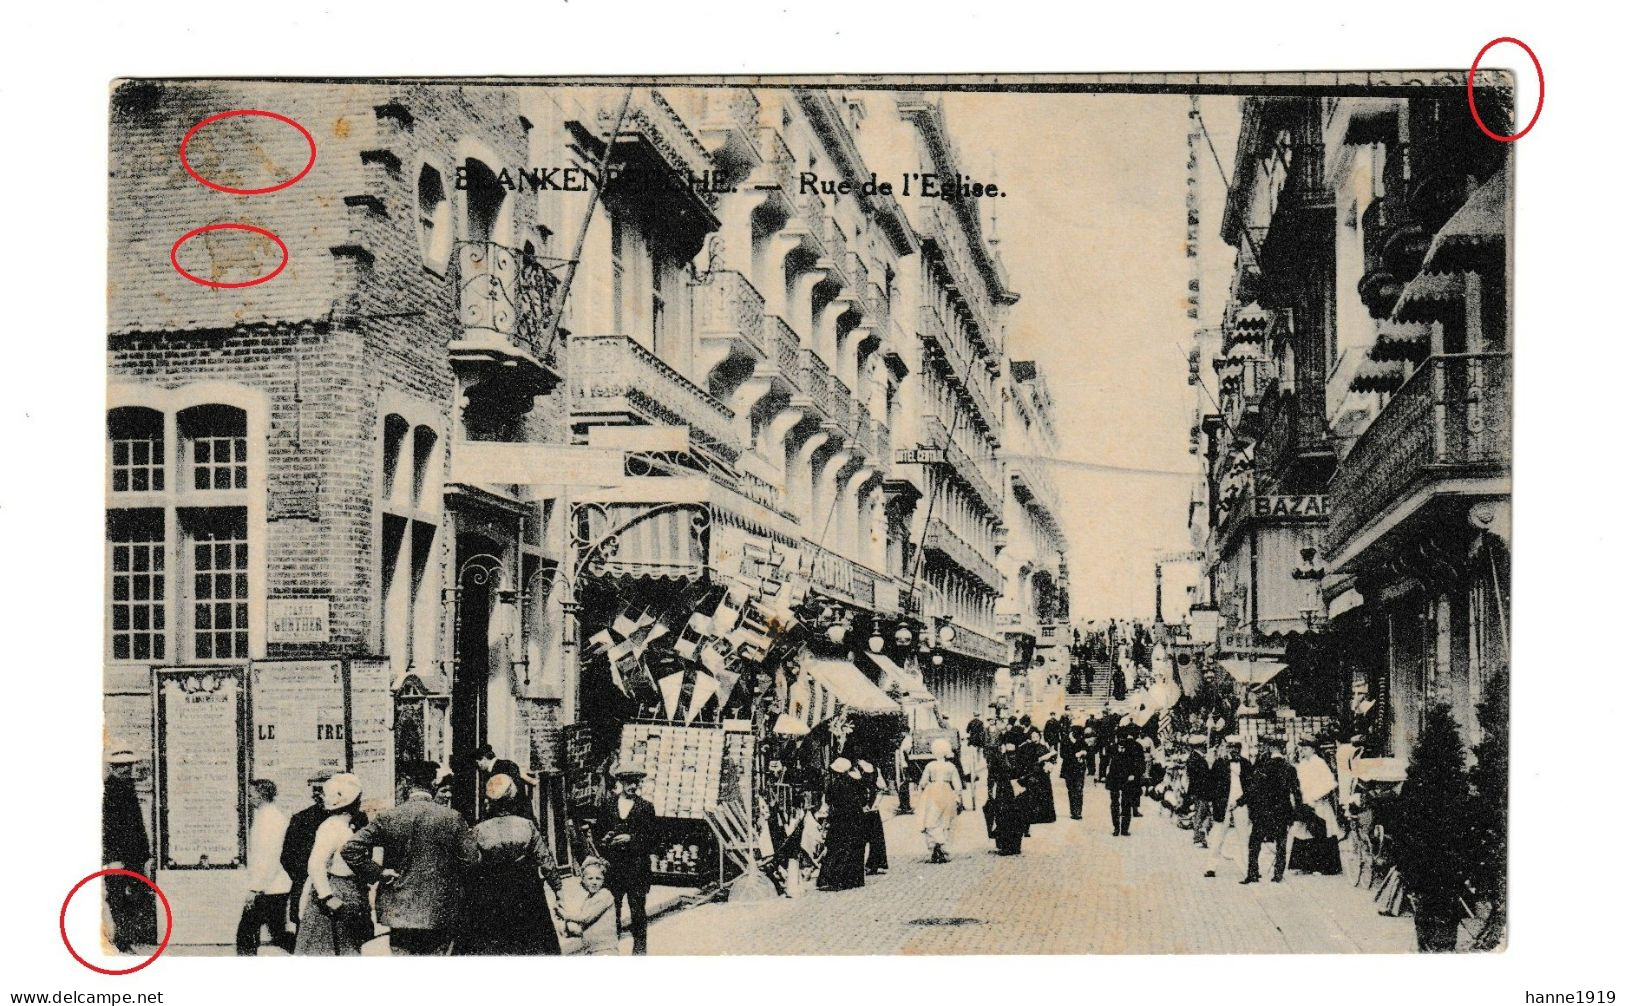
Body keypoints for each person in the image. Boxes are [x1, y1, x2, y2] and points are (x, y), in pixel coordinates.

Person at [342, 762, 477, 955]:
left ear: (409, 785)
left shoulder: (388, 817)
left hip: (399, 911)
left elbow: (351, 849)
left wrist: (378, 873)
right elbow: (471, 860)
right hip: (439, 908)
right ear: (433, 783)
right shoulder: (453, 818)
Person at [460, 774, 564, 955]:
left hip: (492, 892)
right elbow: (545, 860)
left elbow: (471, 864)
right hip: (526, 889)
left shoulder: (479, 830)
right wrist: (558, 890)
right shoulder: (526, 825)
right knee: (531, 942)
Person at [294, 773, 373, 956]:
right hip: (334, 893)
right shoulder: (332, 827)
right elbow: (315, 863)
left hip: (345, 891)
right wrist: (327, 897)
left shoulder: (341, 826)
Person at [597, 764, 658, 953]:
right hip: (614, 866)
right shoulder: (608, 804)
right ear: (621, 783)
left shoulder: (645, 807)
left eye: (636, 782)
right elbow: (598, 831)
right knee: (612, 909)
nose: (633, 786)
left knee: (637, 910)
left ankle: (639, 950)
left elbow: (653, 838)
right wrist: (605, 840)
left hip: (637, 866)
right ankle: (610, 949)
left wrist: (631, 838)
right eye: (629, 782)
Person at [102, 747, 156, 952]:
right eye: (120, 766)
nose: (125, 769)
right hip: (118, 856)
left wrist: (144, 854)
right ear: (113, 768)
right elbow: (108, 827)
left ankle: (130, 936)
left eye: (127, 765)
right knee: (118, 896)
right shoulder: (109, 791)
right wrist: (113, 856)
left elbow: (137, 825)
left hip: (134, 854)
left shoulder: (127, 788)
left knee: (136, 894)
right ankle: (123, 940)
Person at [237, 779, 293, 955]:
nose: (249, 798)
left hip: (270, 887)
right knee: (277, 933)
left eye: (251, 794)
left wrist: (255, 888)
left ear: (262, 795)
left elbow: (269, 856)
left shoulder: (270, 819)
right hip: (272, 886)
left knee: (246, 933)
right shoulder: (267, 816)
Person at [1236, 736, 1298, 884]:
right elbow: (1296, 792)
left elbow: (1253, 789)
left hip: (1264, 811)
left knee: (1255, 842)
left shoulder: (1264, 767)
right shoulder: (1290, 768)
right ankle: (1278, 874)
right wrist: (1296, 813)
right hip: (1282, 811)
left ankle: (1253, 873)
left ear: (1270, 749)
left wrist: (1239, 802)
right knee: (1281, 842)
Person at [280, 771, 330, 943]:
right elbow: (287, 857)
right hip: (306, 888)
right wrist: (304, 877)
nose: (318, 793)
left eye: (322, 788)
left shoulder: (354, 818)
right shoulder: (300, 819)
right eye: (315, 789)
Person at [1288, 742, 1344, 875]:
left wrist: (1316, 796)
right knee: (1304, 832)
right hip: (1305, 802)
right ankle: (1305, 865)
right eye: (1302, 748)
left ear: (1313, 749)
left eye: (1306, 748)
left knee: (1320, 831)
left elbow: (1330, 783)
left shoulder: (1319, 763)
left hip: (1319, 803)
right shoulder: (1302, 764)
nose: (1303, 751)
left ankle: (1323, 867)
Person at [816, 758, 868, 890]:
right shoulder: (857, 781)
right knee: (854, 847)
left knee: (837, 848)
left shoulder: (836, 784)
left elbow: (828, 799)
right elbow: (863, 800)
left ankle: (834, 879)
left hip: (840, 819)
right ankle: (854, 880)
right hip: (856, 818)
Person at [558, 857, 619, 955]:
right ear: (583, 880)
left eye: (598, 878)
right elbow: (584, 929)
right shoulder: (587, 900)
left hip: (605, 950)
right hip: (590, 951)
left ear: (603, 880)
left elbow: (586, 918)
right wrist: (567, 930)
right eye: (590, 878)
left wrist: (566, 916)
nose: (594, 882)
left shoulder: (605, 895)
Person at [918, 738, 963, 863]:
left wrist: (921, 791)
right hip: (947, 792)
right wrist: (957, 797)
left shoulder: (930, 766)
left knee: (931, 820)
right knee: (945, 820)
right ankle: (943, 848)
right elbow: (958, 786)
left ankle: (935, 846)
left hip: (932, 792)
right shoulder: (951, 767)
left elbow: (923, 782)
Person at [987, 734, 1028, 855]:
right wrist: (990, 790)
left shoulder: (1022, 758)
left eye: (1012, 743)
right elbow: (992, 775)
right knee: (1002, 818)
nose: (1010, 745)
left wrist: (1021, 782)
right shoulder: (998, 757)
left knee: (1017, 818)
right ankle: (1005, 846)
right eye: (1007, 743)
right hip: (1003, 791)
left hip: (1017, 791)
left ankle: (1016, 846)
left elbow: (1028, 772)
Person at [1102, 725, 1145, 837]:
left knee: (1126, 803)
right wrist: (1102, 775)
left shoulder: (1134, 748)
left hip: (1128, 780)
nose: (1121, 741)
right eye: (1119, 739)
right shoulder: (1111, 748)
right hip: (1114, 779)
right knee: (1114, 804)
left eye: (1124, 739)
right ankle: (1116, 828)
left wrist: (1134, 775)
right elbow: (1104, 762)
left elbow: (1140, 764)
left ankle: (1125, 829)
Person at [473, 744, 529, 821]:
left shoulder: (507, 766)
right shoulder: (491, 770)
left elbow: (518, 793)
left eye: (478, 762)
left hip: (513, 814)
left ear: (484, 759)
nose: (478, 765)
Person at [1018, 726, 1058, 826]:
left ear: (1039, 737)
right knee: (1032, 794)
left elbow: (1051, 759)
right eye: (1033, 736)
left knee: (1044, 795)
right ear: (1030, 738)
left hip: (1043, 775)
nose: (1035, 738)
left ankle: (1045, 817)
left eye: (1036, 736)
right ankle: (1033, 817)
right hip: (1032, 773)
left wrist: (1049, 764)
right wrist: (1037, 761)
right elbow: (1025, 760)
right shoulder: (1027, 747)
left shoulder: (1043, 747)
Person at [857, 759, 889, 875]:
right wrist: (875, 804)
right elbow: (882, 788)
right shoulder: (873, 768)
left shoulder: (857, 768)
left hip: (866, 807)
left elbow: (882, 788)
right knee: (874, 837)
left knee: (870, 836)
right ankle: (872, 864)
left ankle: (870, 864)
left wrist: (875, 804)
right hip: (869, 806)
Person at [1185, 741, 1214, 848]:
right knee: (1201, 813)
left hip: (1197, 791)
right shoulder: (1198, 760)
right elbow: (1201, 777)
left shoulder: (1193, 758)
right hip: (1201, 791)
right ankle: (1198, 835)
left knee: (1202, 812)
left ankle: (1200, 834)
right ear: (1200, 747)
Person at [1059, 723, 1090, 820]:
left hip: (1079, 768)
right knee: (1071, 790)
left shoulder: (1080, 739)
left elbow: (1088, 750)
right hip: (1068, 769)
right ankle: (1073, 811)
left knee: (1079, 790)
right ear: (1072, 733)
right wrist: (1075, 755)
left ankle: (1078, 812)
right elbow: (1062, 755)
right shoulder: (1065, 740)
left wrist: (1084, 752)